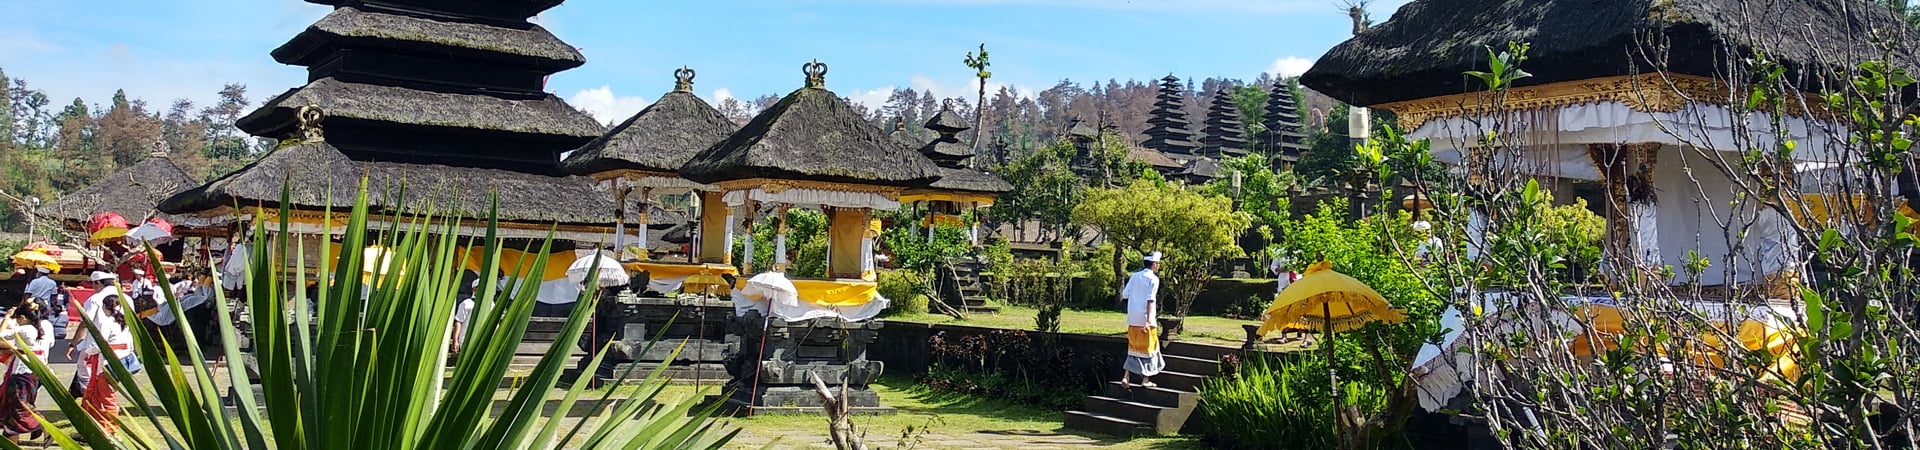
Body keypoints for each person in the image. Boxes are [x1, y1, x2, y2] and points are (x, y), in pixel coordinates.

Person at [77, 287, 136, 436]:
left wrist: (86, 353)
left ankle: (111, 430)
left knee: (106, 397)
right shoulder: (125, 323)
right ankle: (94, 426)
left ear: (104, 307)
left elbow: (100, 344)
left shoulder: (106, 322)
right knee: (97, 394)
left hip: (105, 363)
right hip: (120, 360)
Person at [0, 303, 47, 442]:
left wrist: (7, 317)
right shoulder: (37, 328)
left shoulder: (25, 329)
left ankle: (43, 426)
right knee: (17, 406)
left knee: (19, 406)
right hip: (31, 370)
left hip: (23, 371)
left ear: (23, 318)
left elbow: (1, 335)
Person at [1120, 251, 1165, 388]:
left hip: (1133, 319)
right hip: (1146, 320)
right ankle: (1145, 379)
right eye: (1158, 263)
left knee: (1133, 349)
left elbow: (1125, 294)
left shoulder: (1134, 276)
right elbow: (1150, 300)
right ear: (1154, 264)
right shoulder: (1154, 279)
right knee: (1150, 349)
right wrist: (1149, 321)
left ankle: (1126, 377)